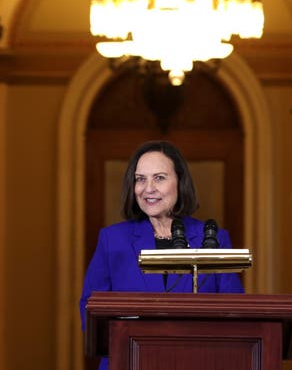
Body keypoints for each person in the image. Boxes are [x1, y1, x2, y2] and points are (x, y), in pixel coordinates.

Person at [80, 140, 244, 370]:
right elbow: (89, 307)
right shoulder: (112, 240)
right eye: (140, 179)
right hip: (128, 362)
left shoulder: (213, 239)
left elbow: (237, 313)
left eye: (159, 177)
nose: (148, 188)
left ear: (180, 182)